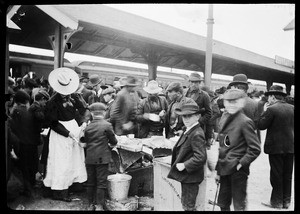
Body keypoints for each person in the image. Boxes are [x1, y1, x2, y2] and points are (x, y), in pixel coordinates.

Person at [42, 67, 87, 202]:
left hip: (74, 130)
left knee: (74, 159)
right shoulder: (52, 102)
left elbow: (83, 109)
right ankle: (60, 192)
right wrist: (68, 133)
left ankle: (73, 185)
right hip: (60, 134)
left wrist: (83, 123)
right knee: (61, 162)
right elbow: (53, 123)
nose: (66, 93)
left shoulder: (73, 96)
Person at [215, 88, 261, 211]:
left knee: (239, 204)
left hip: (237, 171)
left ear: (242, 102)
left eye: (234, 101)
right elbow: (223, 147)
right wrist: (218, 170)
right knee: (223, 203)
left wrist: (241, 163)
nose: (231, 104)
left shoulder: (245, 122)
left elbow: (255, 148)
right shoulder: (225, 117)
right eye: (228, 101)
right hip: (224, 167)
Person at [258, 85, 294, 209]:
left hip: (275, 148)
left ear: (273, 97)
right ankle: (286, 201)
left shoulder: (271, 109)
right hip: (291, 147)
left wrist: (263, 111)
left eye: (269, 97)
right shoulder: (292, 108)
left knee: (276, 175)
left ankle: (276, 202)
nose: (268, 99)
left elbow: (261, 125)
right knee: (288, 174)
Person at [167, 102, 207, 211]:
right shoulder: (189, 129)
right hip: (188, 177)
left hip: (191, 177)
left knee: (188, 206)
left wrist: (185, 165)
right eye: (184, 116)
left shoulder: (197, 133)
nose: (186, 119)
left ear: (198, 116)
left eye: (189, 116)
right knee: (186, 203)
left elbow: (201, 157)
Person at [80, 102, 118, 211]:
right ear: (104, 113)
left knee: (91, 182)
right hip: (102, 158)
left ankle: (90, 204)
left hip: (90, 158)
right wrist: (111, 145)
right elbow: (113, 141)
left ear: (92, 114)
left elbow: (84, 141)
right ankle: (99, 205)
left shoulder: (88, 127)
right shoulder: (107, 125)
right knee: (101, 183)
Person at [8, 90, 39, 198]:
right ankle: (32, 185)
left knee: (24, 167)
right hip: (32, 143)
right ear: (26, 100)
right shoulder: (29, 111)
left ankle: (28, 190)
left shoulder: (15, 112)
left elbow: (13, 129)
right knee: (32, 166)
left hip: (22, 144)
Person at [184, 73, 212, 147]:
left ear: (199, 83)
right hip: (185, 126)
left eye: (196, 82)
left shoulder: (204, 95)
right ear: (189, 82)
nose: (193, 84)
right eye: (192, 82)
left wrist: (198, 122)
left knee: (196, 147)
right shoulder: (185, 93)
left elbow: (209, 113)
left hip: (198, 127)